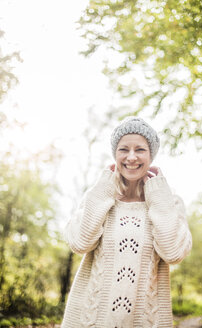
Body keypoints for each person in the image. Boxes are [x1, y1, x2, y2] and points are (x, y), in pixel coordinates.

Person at [61, 116, 192, 328]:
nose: (131, 157)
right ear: (115, 154)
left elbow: (174, 253)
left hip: (145, 321)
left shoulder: (169, 202)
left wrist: (158, 197)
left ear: (151, 156)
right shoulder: (98, 196)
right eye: (124, 149)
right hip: (91, 320)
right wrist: (104, 189)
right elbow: (79, 243)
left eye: (140, 149)